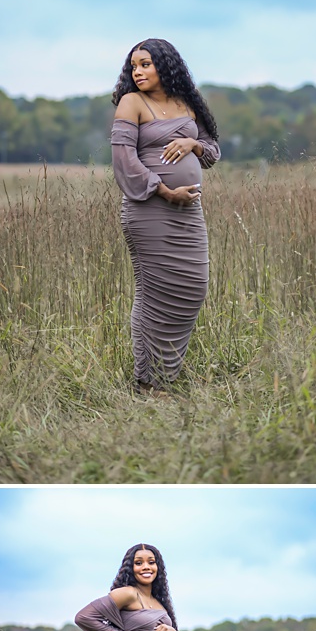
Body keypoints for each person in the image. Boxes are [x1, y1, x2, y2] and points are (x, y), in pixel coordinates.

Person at [110, 38, 220, 394]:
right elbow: (124, 160)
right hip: (149, 209)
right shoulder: (131, 103)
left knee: (193, 287)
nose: (137, 72)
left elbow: (213, 151)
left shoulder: (186, 103)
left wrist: (193, 144)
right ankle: (149, 381)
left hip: (189, 214)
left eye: (145, 64)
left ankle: (166, 374)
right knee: (154, 292)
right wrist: (164, 190)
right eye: (133, 66)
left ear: (165, 66)